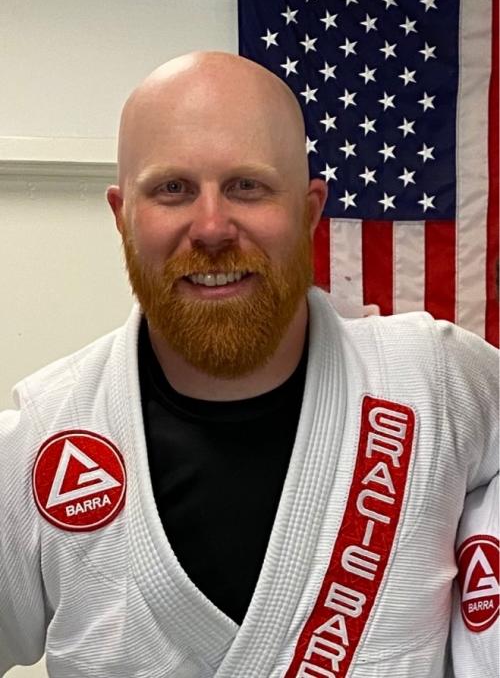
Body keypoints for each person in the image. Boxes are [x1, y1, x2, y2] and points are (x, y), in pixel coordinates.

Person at [0, 52, 497, 678]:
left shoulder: (433, 381)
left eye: (247, 186)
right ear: (122, 217)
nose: (211, 227)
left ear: (310, 211)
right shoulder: (40, 443)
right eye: (172, 189)